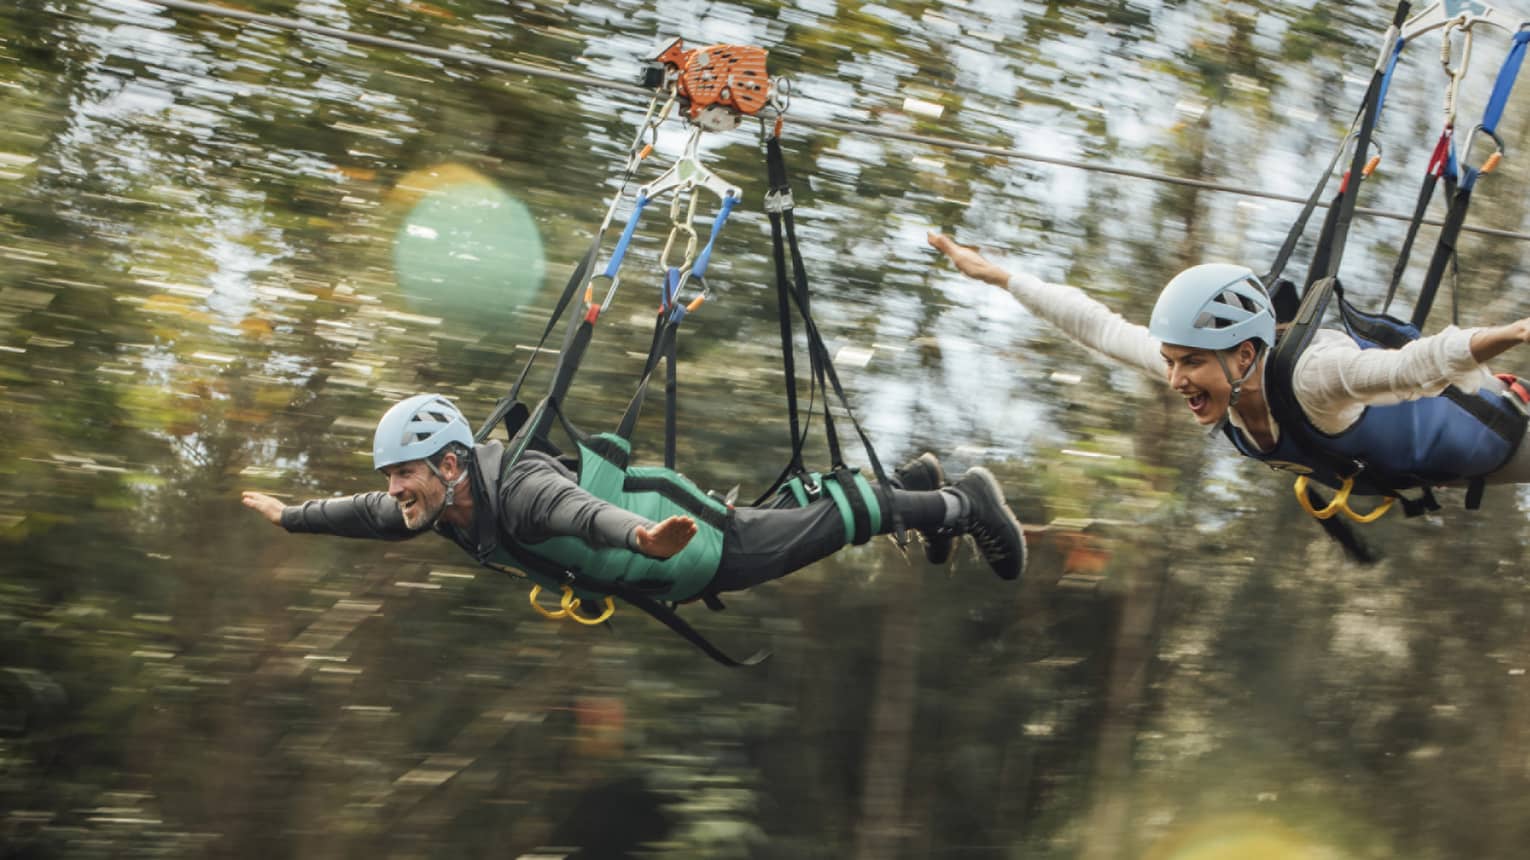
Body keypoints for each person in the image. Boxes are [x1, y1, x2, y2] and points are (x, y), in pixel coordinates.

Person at [242, 393, 1027, 615]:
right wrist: (292, 516)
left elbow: (581, 515)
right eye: (389, 479)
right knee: (798, 520)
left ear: (448, 462)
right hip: (660, 567)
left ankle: (965, 504)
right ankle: (917, 485)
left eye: (401, 476)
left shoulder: (514, 487)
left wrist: (646, 537)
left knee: (828, 525)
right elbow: (362, 515)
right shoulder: (440, 506)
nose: (392, 493)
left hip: (682, 549)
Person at [927, 231, 1530, 500]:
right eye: (1170, 362)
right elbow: (1101, 328)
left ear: (1246, 353)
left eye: (1190, 362)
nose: (1175, 379)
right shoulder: (1216, 382)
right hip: (1438, 473)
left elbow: (1416, 366)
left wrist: (1515, 331)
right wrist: (1002, 276)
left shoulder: (1315, 375)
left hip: (1506, 435)